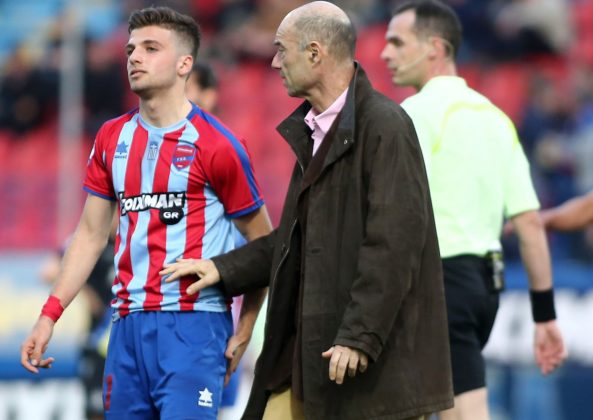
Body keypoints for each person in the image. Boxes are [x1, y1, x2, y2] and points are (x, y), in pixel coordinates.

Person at [161, 2, 454, 419]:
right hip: (308, 361)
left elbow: (394, 244)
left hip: (370, 370)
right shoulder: (314, 129)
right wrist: (224, 269)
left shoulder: (385, 126)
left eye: (282, 50)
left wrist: (359, 335)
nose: (275, 62)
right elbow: (297, 237)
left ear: (315, 53)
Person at [20, 6, 272, 420]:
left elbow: (264, 244)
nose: (135, 57)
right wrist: (49, 316)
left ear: (184, 64)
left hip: (194, 325)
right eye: (131, 49)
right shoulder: (111, 138)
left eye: (151, 48)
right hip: (126, 326)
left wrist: (245, 327)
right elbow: (89, 235)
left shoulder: (218, 145)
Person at [380, 1, 567, 419]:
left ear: (435, 48)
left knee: (462, 410)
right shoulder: (497, 119)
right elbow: (529, 222)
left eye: (397, 42)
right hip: (485, 287)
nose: (385, 53)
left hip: (436, 284)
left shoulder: (412, 114)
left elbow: (390, 211)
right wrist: (544, 316)